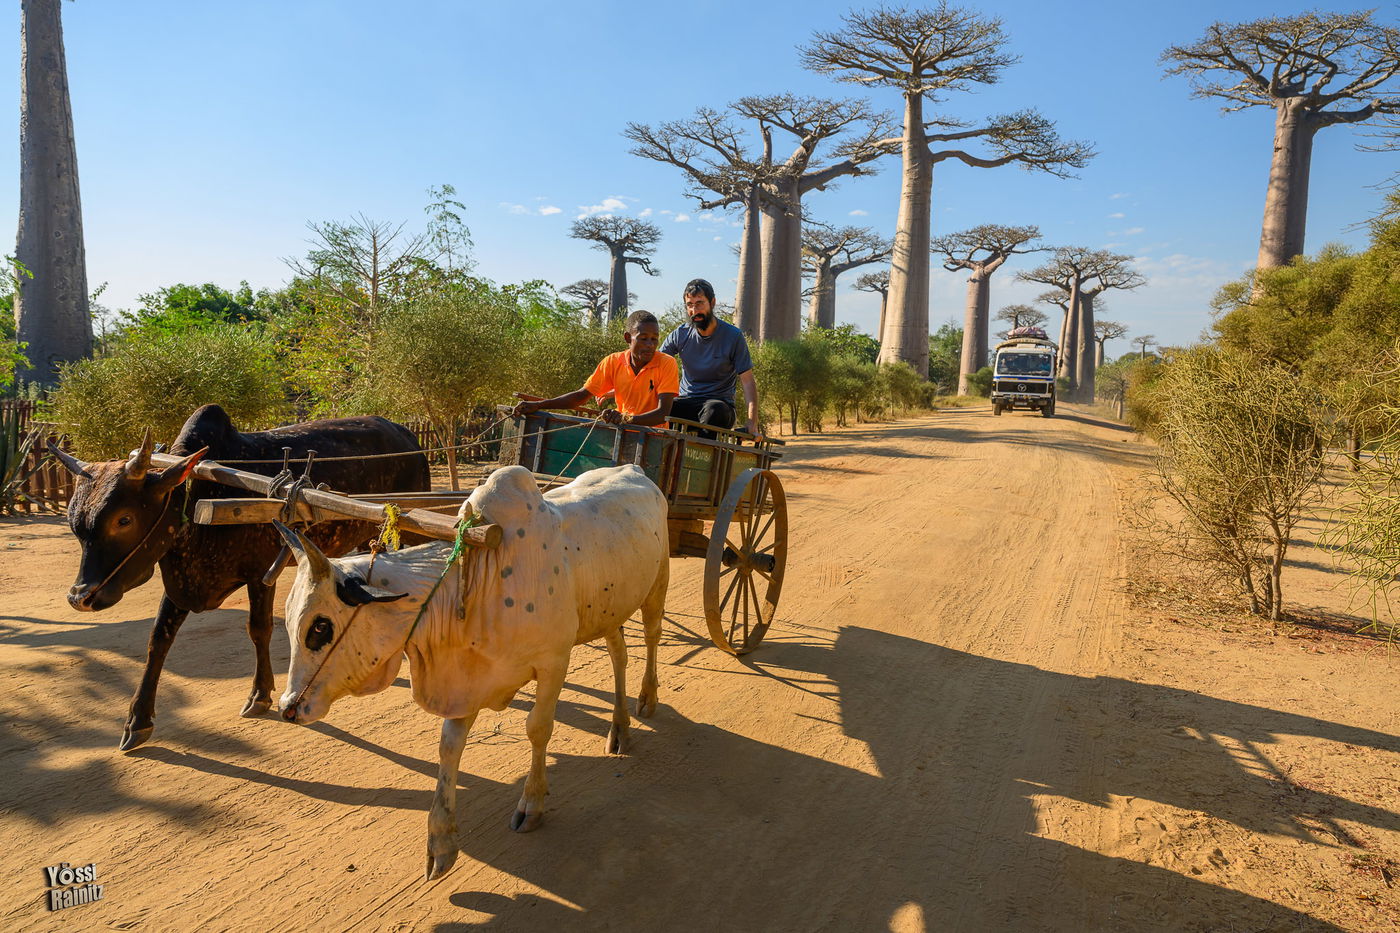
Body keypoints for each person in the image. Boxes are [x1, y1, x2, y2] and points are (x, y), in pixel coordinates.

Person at [512, 309, 678, 426]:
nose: (650, 345)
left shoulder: (666, 363)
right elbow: (581, 396)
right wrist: (539, 405)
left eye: (654, 339)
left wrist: (625, 419)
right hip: (622, 432)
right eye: (643, 338)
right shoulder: (613, 361)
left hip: (654, 437)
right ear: (628, 338)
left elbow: (662, 413)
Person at [660, 278, 759, 437]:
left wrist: (752, 423)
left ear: (712, 302)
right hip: (686, 401)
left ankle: (700, 453)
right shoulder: (680, 334)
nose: (694, 310)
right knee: (663, 409)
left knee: (714, 410)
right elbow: (656, 364)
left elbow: (747, 381)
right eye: (689, 305)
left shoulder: (733, 336)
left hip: (719, 406)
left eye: (700, 303)